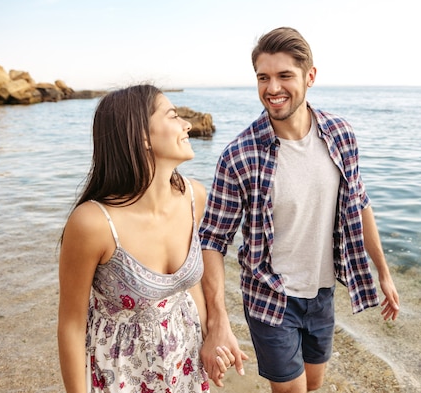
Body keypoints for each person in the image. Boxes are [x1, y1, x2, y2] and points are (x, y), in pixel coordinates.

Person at [199, 27, 401, 392]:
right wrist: (217, 320)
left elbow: (359, 203)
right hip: (270, 296)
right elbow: (212, 240)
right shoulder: (239, 155)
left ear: (310, 77)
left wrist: (383, 272)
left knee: (313, 386)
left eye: (284, 76)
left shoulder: (341, 134)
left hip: (322, 293)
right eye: (263, 77)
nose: (272, 88)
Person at [57, 84, 236, 393]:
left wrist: (212, 336)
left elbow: (190, 284)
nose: (187, 125)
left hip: (185, 368)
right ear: (142, 136)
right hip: (121, 375)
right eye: (174, 116)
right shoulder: (94, 223)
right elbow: (71, 326)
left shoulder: (194, 197)